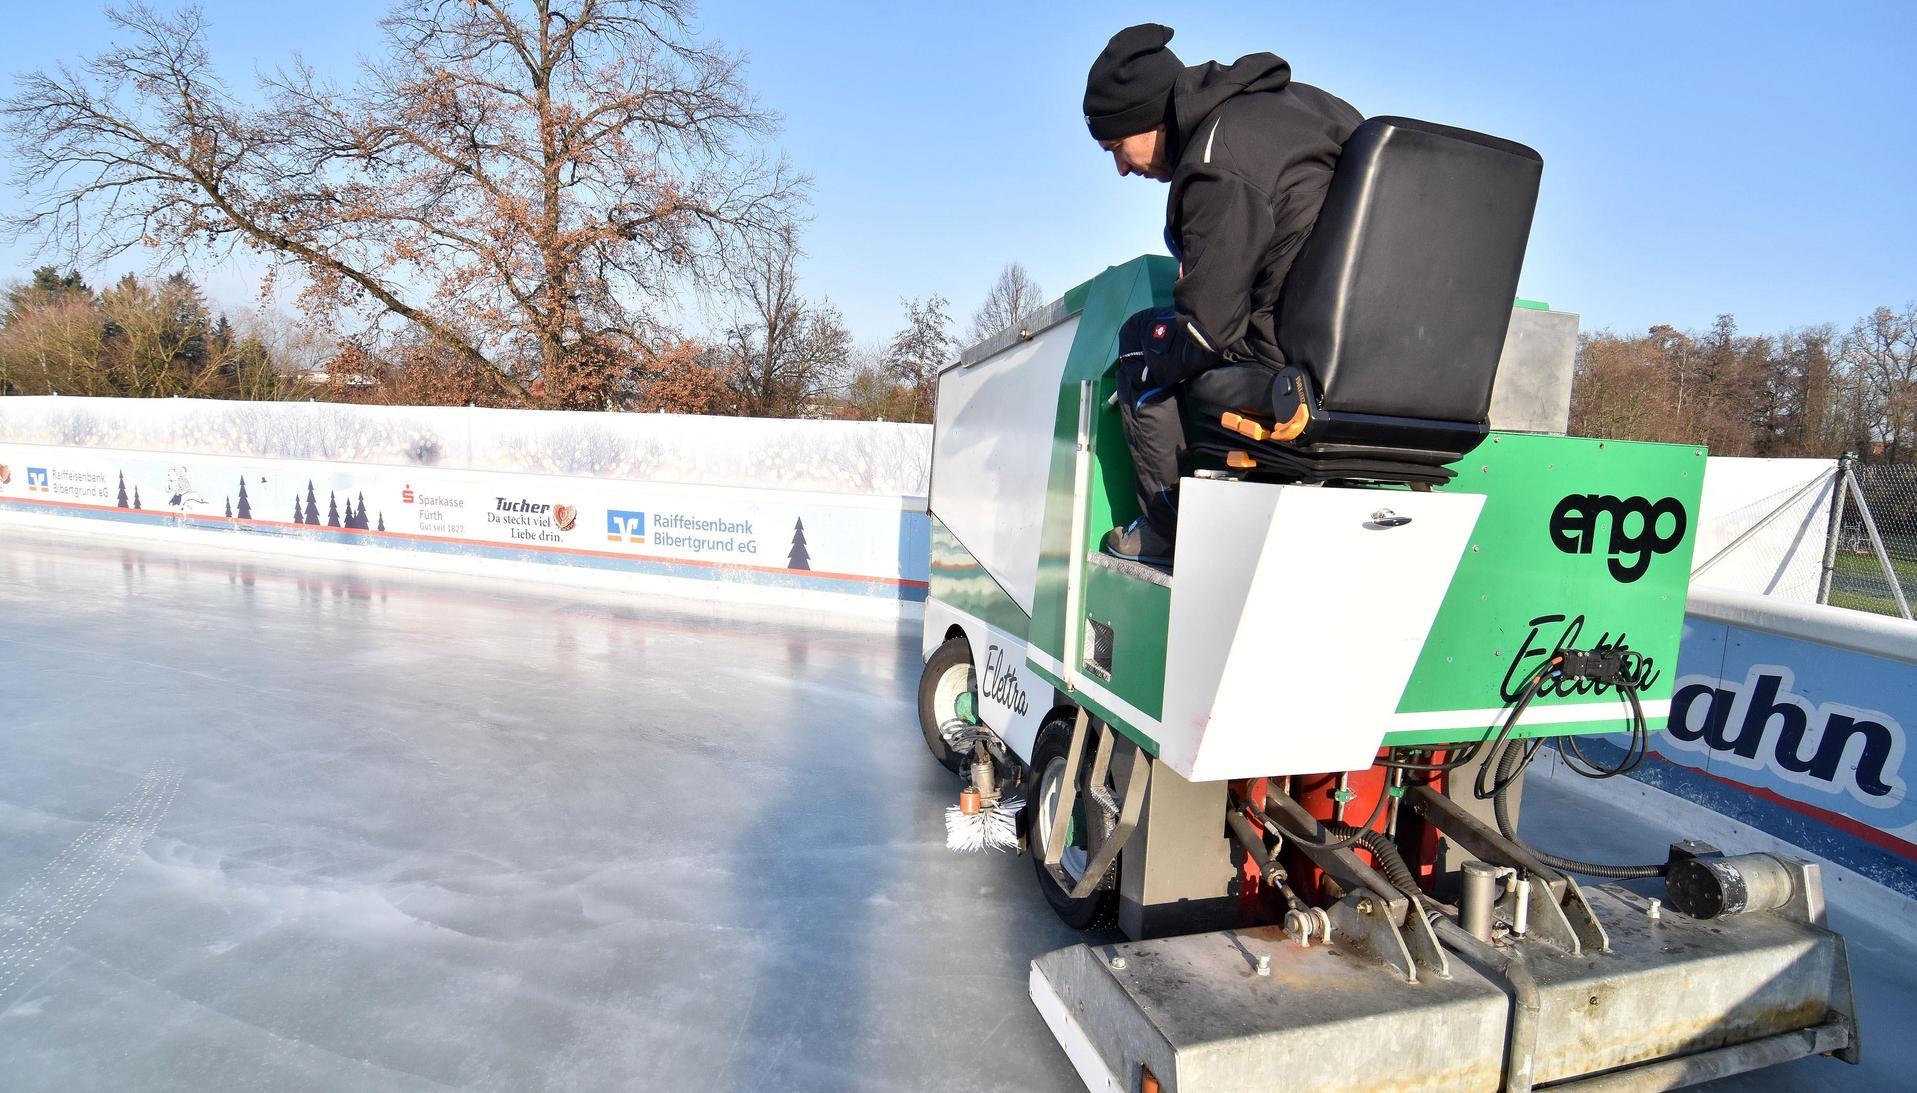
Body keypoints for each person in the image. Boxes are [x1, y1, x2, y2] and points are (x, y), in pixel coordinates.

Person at [1084, 23, 1363, 566]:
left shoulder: (1215, 162)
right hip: (1383, 365)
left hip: (1292, 368)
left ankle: (1167, 527)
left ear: (1151, 117)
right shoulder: (1314, 106)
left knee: (1142, 341)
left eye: (1117, 146)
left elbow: (1207, 330)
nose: (1120, 168)